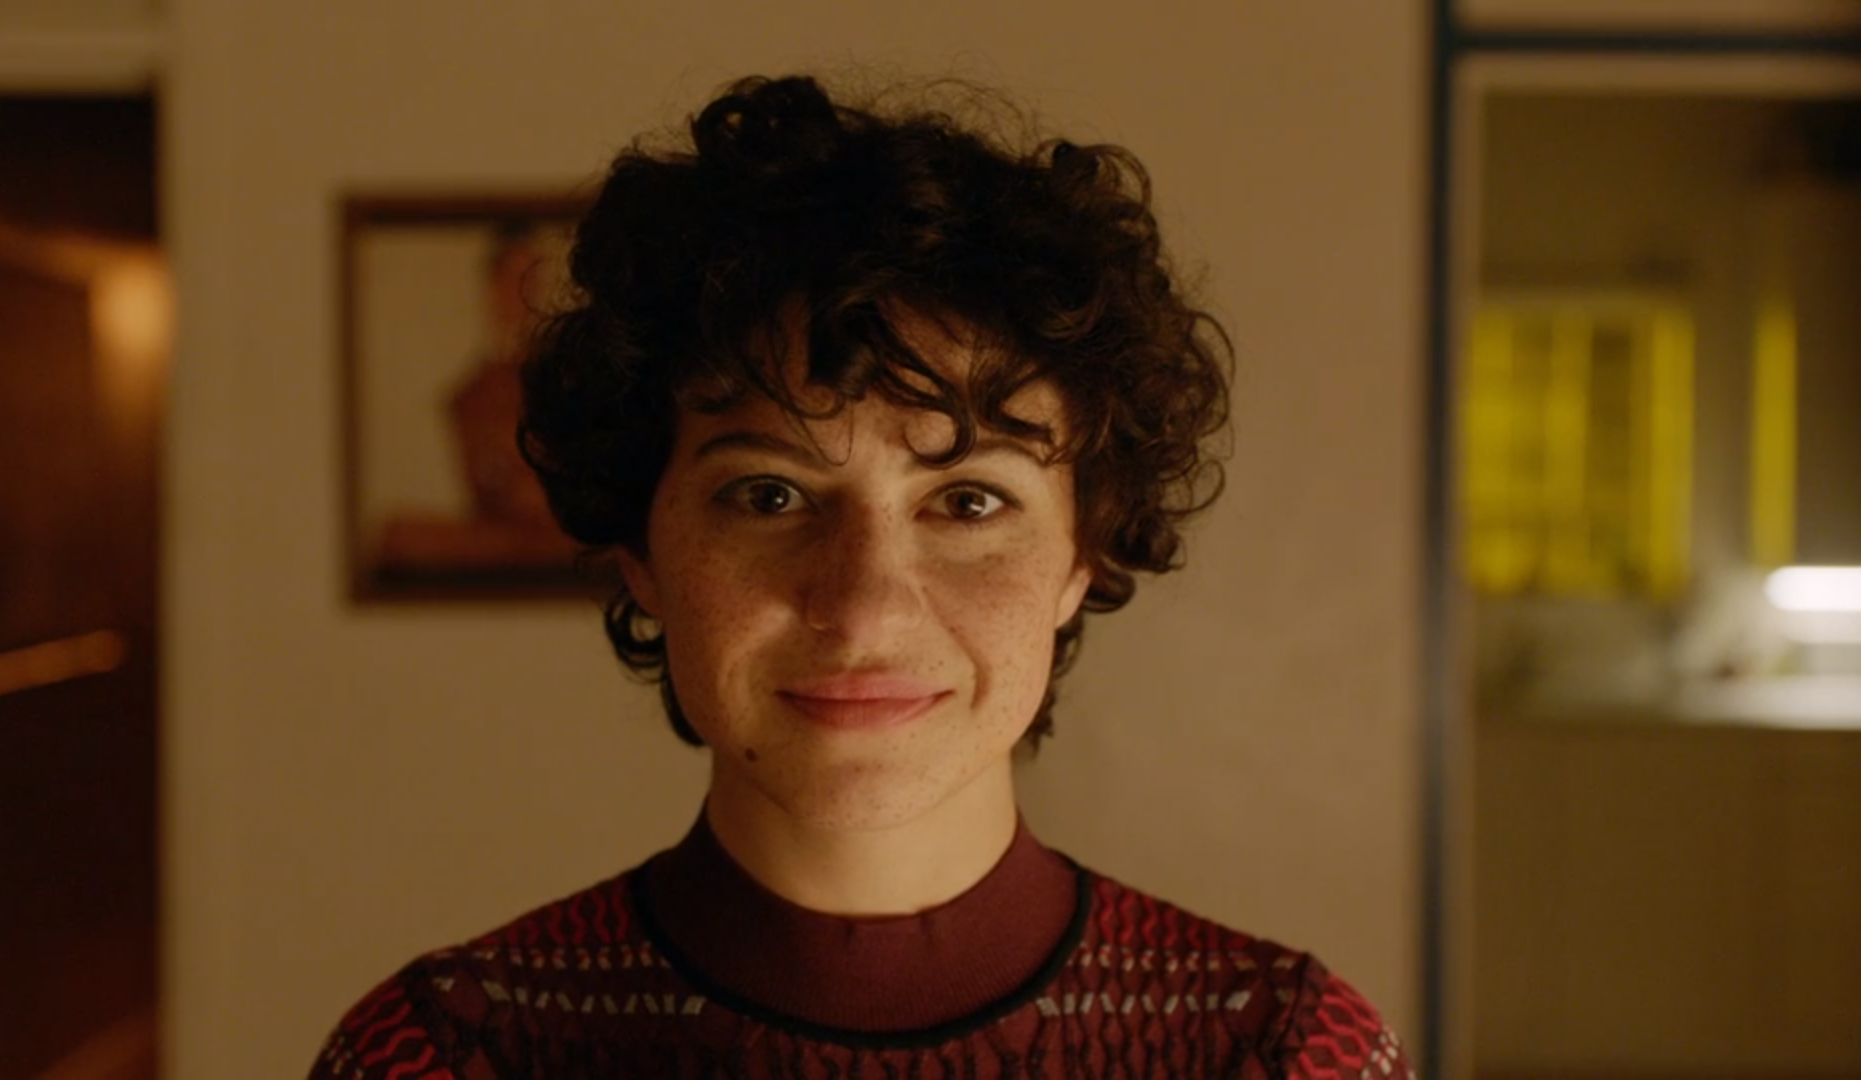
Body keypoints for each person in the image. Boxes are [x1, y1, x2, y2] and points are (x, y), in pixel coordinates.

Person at [311, 74, 1413, 1078]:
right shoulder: (441, 1055)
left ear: (1083, 554)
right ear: (639, 547)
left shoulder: (1285, 1052)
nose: (866, 607)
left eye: (968, 502)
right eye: (770, 495)